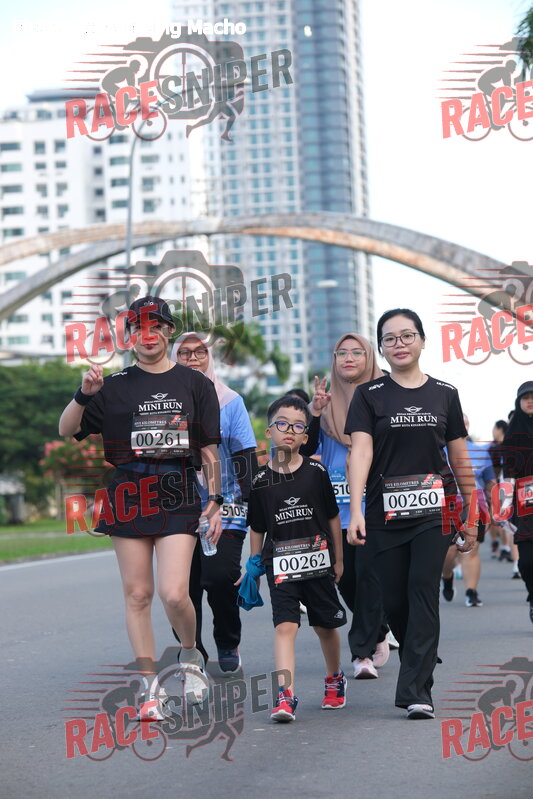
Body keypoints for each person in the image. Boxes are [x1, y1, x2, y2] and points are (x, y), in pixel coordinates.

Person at [58, 296, 223, 714]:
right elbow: (66, 429)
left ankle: (190, 652)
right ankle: (150, 687)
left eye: (156, 327)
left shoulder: (195, 384)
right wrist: (84, 394)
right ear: (128, 336)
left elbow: (208, 449)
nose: (147, 335)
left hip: (177, 492)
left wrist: (216, 499)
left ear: (168, 331)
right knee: (137, 594)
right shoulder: (113, 386)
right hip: (128, 495)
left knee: (174, 593)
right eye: (138, 328)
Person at [345, 308, 477, 720]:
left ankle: (417, 690)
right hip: (382, 513)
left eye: (407, 335)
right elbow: (360, 452)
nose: (399, 344)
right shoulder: (369, 395)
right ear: (382, 348)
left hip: (433, 513)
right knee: (394, 600)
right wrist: (355, 509)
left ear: (422, 340)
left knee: (422, 590)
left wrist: (471, 513)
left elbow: (459, 458)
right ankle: (420, 652)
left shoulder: (445, 394)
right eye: (390, 338)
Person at [243, 395, 347, 722]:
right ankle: (285, 694)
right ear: (269, 432)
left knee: (324, 626)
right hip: (280, 565)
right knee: (285, 626)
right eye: (282, 424)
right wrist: (254, 565)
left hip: (318, 562)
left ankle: (335, 678)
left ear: (305, 437)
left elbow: (332, 518)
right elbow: (257, 527)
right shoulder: (259, 480)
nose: (290, 430)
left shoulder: (316, 472)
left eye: (298, 426)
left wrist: (338, 559)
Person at [301, 335, 389, 679]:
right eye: (342, 353)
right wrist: (314, 412)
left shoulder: (386, 398)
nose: (348, 358)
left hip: (374, 504)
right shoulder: (325, 404)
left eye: (357, 352)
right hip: (335, 508)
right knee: (345, 578)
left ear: (369, 358)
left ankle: (361, 653)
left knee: (370, 577)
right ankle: (379, 629)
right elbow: (303, 450)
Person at [170, 332, 257, 672]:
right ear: (173, 357)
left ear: (210, 357)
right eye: (184, 352)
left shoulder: (230, 401)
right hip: (176, 511)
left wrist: (256, 508)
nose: (192, 358)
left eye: (200, 352)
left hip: (227, 507)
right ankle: (193, 651)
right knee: (182, 589)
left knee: (220, 578)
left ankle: (228, 639)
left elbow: (245, 457)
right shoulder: (163, 404)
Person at [441, 414, 496, 607]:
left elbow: (490, 481)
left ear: (467, 426)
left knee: (472, 549)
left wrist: (494, 504)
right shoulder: (437, 450)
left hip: (474, 504)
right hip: (447, 505)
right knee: (449, 552)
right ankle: (447, 575)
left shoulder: (480, 452)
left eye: (463, 423)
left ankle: (471, 592)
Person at [502, 381, 533, 626]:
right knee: (527, 561)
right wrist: (504, 506)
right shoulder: (513, 434)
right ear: (518, 402)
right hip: (525, 507)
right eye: (525, 398)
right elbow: (508, 475)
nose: (530, 401)